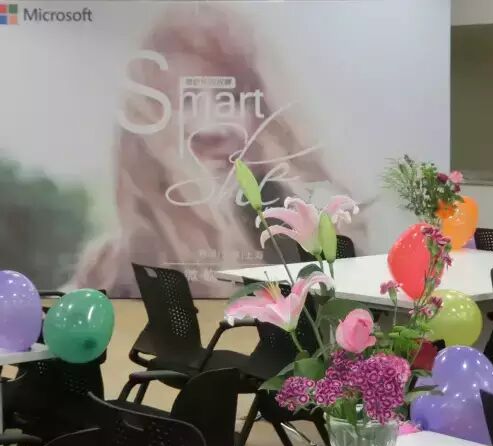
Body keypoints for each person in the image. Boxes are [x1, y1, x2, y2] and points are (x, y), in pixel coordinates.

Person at [70, 3, 365, 297]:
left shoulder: (323, 242)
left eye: (232, 98)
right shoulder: (111, 271)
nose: (210, 128)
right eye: (187, 100)